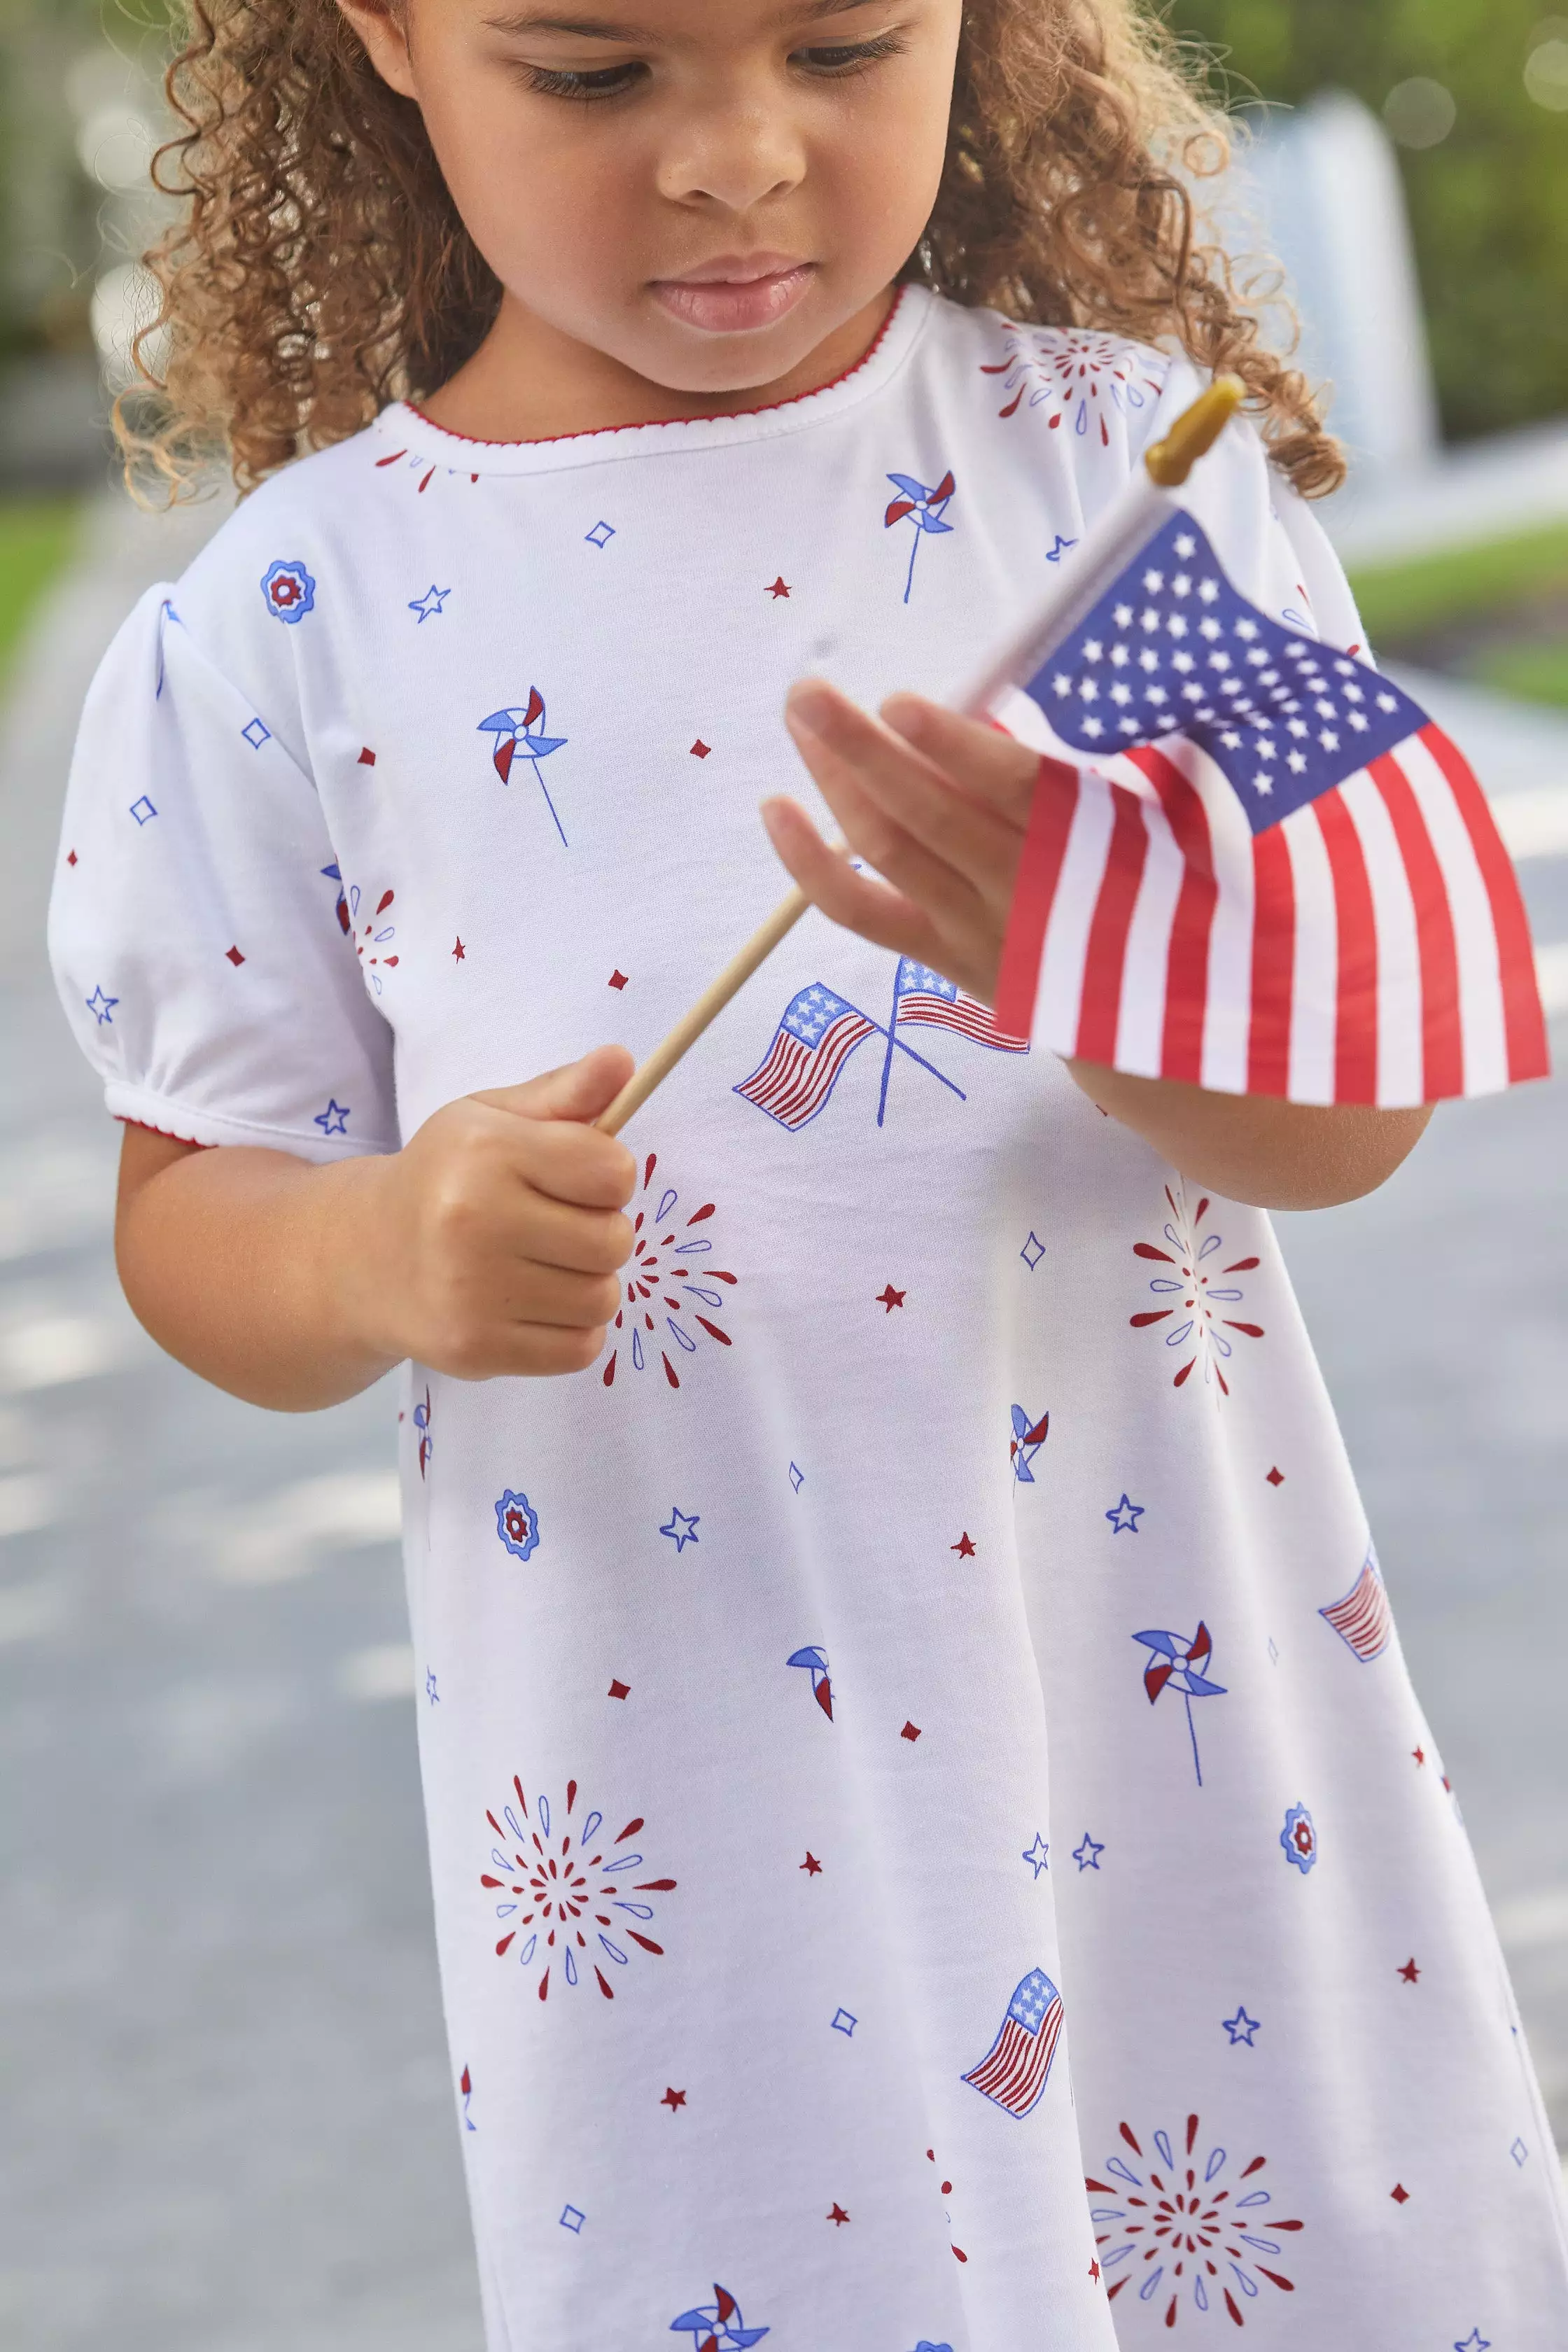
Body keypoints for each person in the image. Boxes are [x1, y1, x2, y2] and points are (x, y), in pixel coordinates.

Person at [48, 0, 1568, 2342]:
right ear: (389, 37)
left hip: (1175, 1739)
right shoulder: (288, 625)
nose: (739, 157)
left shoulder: (1120, 484)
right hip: (690, 1814)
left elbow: (1348, 1117)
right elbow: (195, 1224)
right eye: (594, 74)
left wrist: (1092, 957)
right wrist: (374, 1246)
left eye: (843, 45)